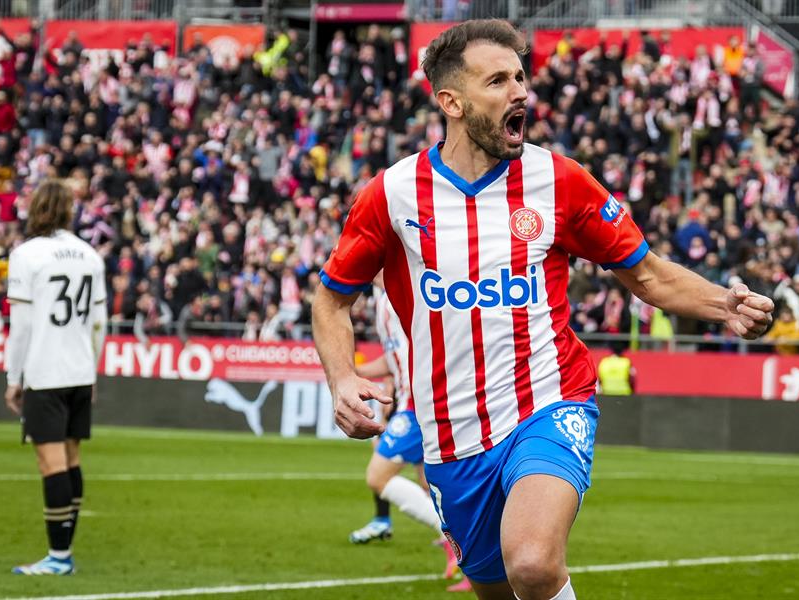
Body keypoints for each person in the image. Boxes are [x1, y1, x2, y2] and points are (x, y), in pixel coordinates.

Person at [312, 20, 774, 600]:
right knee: (502, 588)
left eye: (521, 77)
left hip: (548, 404)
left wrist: (724, 304)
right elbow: (332, 296)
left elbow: (649, 276)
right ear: (451, 101)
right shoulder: (393, 193)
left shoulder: (559, 181)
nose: (520, 91)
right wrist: (342, 379)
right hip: (452, 436)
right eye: (498, 80)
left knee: (531, 562)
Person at [4, 179, 108, 575]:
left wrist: (14, 377)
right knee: (71, 459)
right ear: (68, 211)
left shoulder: (27, 255)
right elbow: (99, 322)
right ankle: (64, 551)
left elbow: (22, 325)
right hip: (80, 369)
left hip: (45, 372)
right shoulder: (89, 255)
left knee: (51, 464)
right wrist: (93, 369)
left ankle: (59, 557)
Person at [348, 276, 466, 591]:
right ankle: (473, 565)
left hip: (420, 403)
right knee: (431, 484)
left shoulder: (401, 292)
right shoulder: (384, 299)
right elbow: (394, 358)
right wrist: (351, 373)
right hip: (416, 400)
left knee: (378, 476)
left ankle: (456, 542)